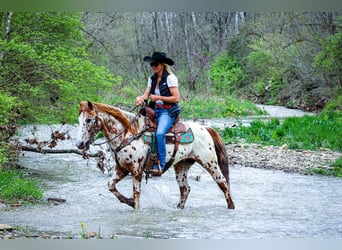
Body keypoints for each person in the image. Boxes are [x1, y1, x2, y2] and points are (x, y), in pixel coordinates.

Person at [136, 52, 181, 176]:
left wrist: (158, 97)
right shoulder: (152, 78)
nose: (153, 67)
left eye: (155, 64)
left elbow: (176, 98)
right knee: (138, 128)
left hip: (168, 111)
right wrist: (140, 98)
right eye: (152, 64)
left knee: (160, 133)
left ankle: (160, 163)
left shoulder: (170, 78)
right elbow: (146, 95)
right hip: (155, 110)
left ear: (162, 65)